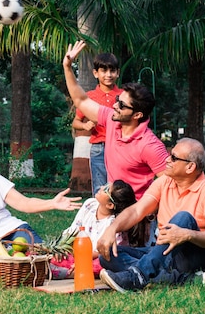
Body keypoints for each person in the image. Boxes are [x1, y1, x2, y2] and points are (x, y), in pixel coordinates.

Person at [97, 138, 205, 292]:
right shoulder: (164, 181)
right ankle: (184, 280)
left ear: (190, 167)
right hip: (164, 253)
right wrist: (113, 228)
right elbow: (137, 210)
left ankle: (137, 276)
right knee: (108, 255)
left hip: (196, 258)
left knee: (183, 218)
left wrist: (187, 235)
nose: (167, 159)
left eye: (174, 157)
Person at [62, 41, 168, 200]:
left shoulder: (150, 145)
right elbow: (80, 100)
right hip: (114, 209)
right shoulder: (112, 120)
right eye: (117, 100)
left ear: (137, 115)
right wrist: (68, 67)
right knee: (99, 196)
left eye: (121, 104)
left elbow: (172, 182)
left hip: (138, 214)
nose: (115, 106)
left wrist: (148, 207)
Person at [49, 180, 149, 279]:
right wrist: (62, 248)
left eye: (105, 189)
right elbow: (73, 229)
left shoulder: (115, 224)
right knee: (52, 256)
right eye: (105, 185)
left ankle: (68, 272)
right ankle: (69, 270)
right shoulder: (90, 204)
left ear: (110, 205)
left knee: (101, 265)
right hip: (77, 254)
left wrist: (84, 258)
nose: (101, 188)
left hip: (96, 258)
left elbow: (106, 253)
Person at [71, 53, 123, 195]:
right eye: (104, 71)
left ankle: (120, 216)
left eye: (112, 71)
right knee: (100, 188)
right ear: (95, 73)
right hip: (98, 148)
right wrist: (84, 126)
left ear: (117, 73)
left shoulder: (124, 95)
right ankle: (99, 215)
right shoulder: (89, 97)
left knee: (120, 187)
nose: (108, 75)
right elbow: (76, 122)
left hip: (120, 147)